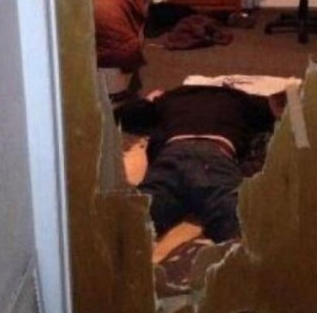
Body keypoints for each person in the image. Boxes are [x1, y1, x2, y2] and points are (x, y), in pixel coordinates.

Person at [117, 85, 285, 242]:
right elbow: (283, 111)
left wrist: (149, 99)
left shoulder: (170, 98)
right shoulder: (240, 99)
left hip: (172, 154)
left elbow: (123, 115)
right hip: (214, 155)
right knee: (238, 224)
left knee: (133, 219)